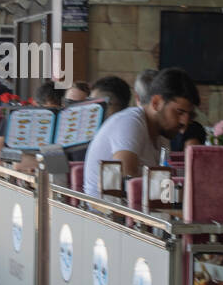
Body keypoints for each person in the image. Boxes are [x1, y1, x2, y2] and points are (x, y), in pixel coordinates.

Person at [83, 67, 199, 199]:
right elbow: (128, 183)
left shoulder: (163, 134)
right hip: (102, 215)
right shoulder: (131, 122)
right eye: (179, 112)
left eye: (190, 114)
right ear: (156, 103)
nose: (185, 121)